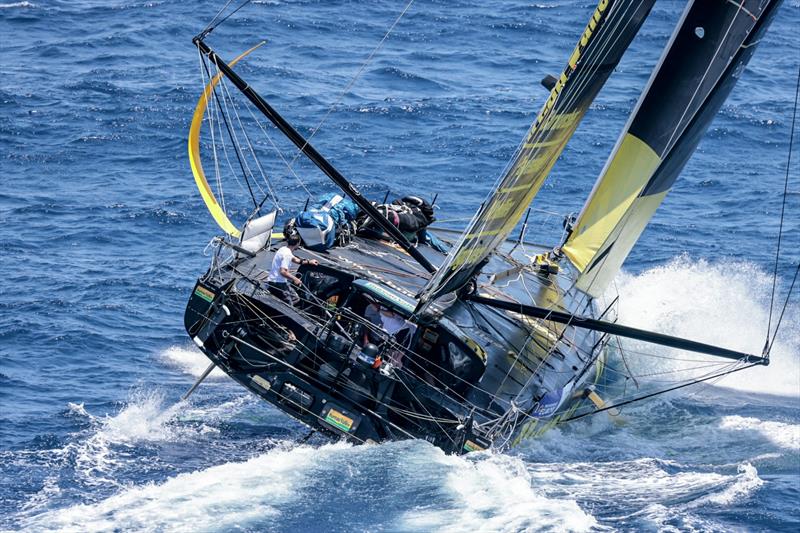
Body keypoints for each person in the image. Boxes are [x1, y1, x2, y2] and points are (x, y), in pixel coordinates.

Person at [266, 235, 318, 306]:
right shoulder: (287, 255)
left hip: (272, 281)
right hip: (278, 283)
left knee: (295, 297)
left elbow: (295, 259)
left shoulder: (283, 249)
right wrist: (295, 279)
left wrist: (309, 262)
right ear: (297, 243)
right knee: (289, 305)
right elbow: (283, 271)